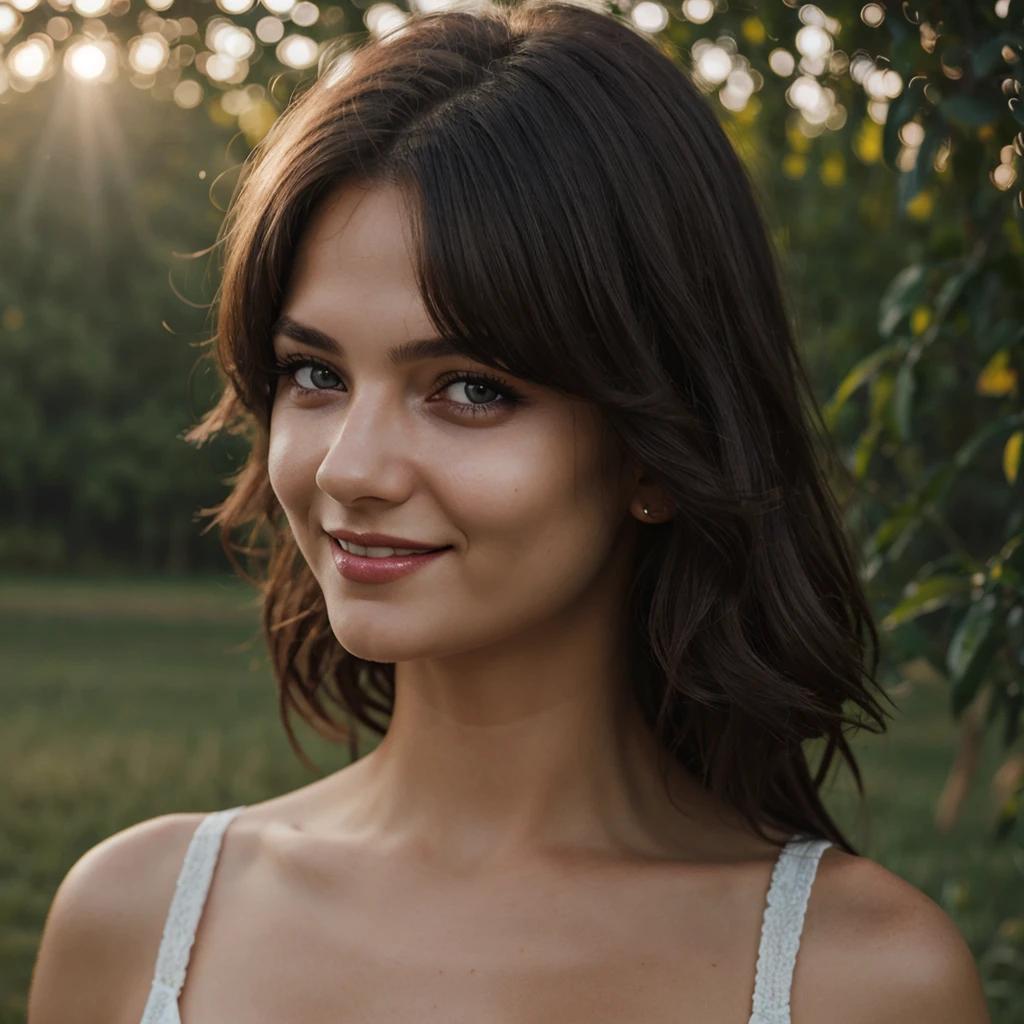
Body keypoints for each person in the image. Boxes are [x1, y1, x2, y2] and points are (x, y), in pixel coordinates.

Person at [28, 2, 991, 1022]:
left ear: (660, 450)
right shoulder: (139, 919)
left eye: (469, 388)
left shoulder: (859, 979)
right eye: (314, 372)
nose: (349, 468)